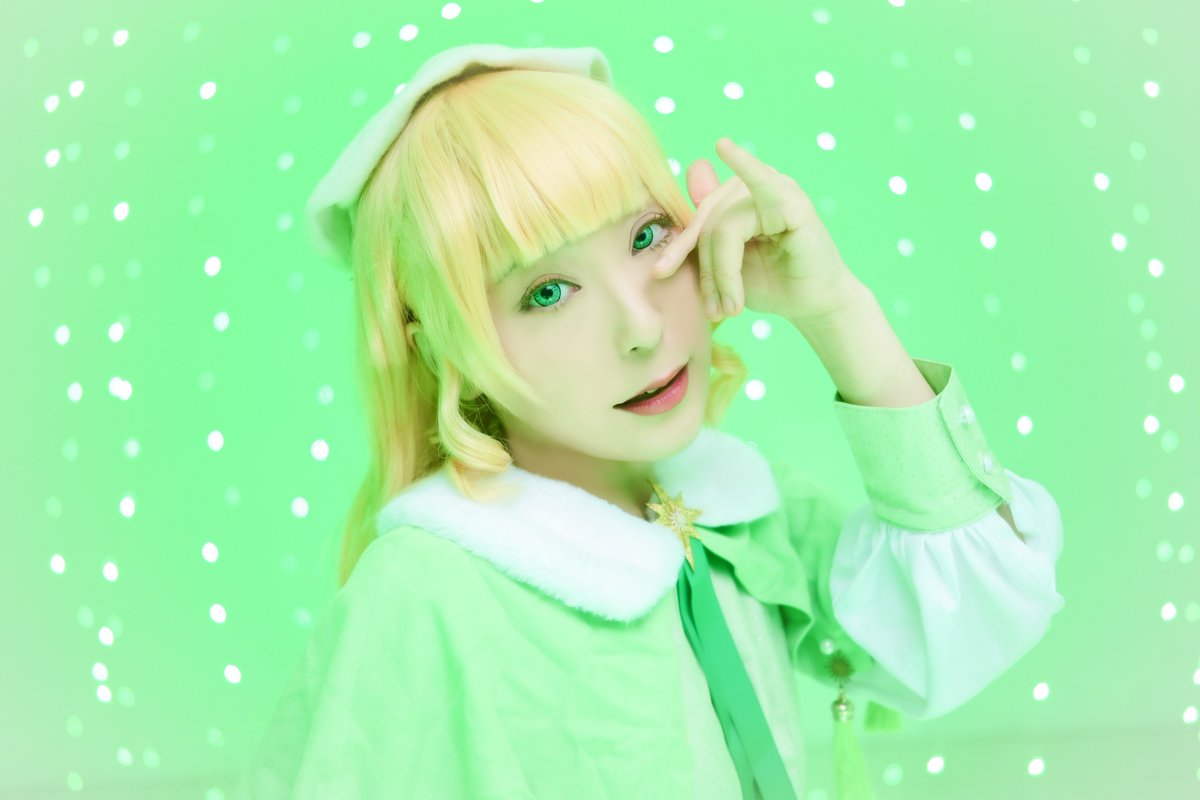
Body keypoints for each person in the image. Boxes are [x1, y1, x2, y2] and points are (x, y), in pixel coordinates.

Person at [231, 43, 1065, 799]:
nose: (640, 326)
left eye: (646, 236)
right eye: (546, 292)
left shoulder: (730, 509)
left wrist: (836, 309)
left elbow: (970, 616)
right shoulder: (427, 591)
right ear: (442, 344)